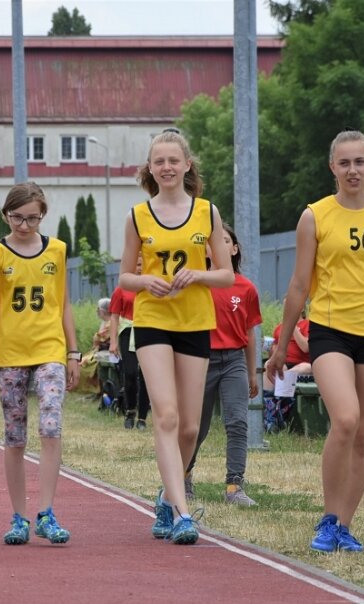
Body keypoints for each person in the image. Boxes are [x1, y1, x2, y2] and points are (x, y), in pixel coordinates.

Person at [265, 130, 364, 554]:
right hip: (330, 329)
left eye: (359, 162)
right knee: (347, 418)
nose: (352, 170)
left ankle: (344, 525)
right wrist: (280, 346)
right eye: (344, 163)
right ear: (332, 168)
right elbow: (299, 284)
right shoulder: (314, 217)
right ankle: (327, 517)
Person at [119, 128, 234, 545]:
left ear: (187, 165)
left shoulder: (207, 212)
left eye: (173, 160)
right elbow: (125, 278)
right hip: (152, 321)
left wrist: (197, 274)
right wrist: (147, 282)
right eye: (159, 161)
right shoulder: (138, 215)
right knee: (165, 416)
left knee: (189, 428)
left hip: (195, 322)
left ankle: (167, 496)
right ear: (149, 168)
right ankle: (183, 512)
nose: (166, 167)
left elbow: (227, 275)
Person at [0, 182, 80, 546]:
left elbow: (64, 305)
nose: (25, 225)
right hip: (11, 352)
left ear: (43, 215)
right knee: (15, 436)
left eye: (32, 218)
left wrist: (73, 352)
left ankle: (46, 512)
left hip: (49, 350)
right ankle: (18, 517)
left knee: (50, 422)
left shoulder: (57, 250)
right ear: (5, 215)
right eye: (17, 218)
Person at [184, 223, 262, 506]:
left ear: (234, 248)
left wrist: (253, 373)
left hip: (234, 361)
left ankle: (234, 486)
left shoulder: (246, 288)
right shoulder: (197, 283)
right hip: (201, 360)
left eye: (224, 240)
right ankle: (184, 475)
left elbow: (250, 332)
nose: (217, 245)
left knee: (238, 422)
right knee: (195, 427)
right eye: (211, 242)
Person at [109, 258, 151, 430]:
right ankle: (130, 411)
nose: (140, 268)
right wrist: (113, 341)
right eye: (138, 264)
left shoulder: (151, 287)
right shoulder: (122, 289)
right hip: (128, 331)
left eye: (143, 264)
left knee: (148, 376)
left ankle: (142, 417)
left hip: (148, 329)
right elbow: (114, 316)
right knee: (131, 373)